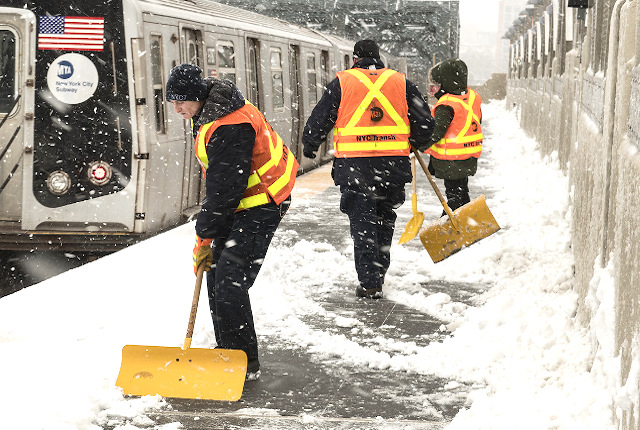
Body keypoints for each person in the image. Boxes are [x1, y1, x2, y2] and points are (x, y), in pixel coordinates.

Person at [165, 64, 298, 380]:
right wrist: (208, 236)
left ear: (198, 95)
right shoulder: (209, 113)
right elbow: (222, 186)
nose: (177, 108)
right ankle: (228, 349)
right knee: (214, 272)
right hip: (241, 203)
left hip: (264, 202)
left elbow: (225, 188)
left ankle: (244, 361)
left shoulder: (230, 125)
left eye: (182, 101)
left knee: (229, 278)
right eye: (172, 101)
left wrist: (204, 235)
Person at [302, 40, 434, 299]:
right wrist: (416, 141)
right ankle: (379, 273)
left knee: (363, 223)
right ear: (379, 58)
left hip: (355, 168)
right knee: (384, 220)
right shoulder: (401, 82)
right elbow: (426, 123)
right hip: (392, 167)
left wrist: (310, 144)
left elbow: (321, 117)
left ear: (355, 59)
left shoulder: (342, 82)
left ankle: (369, 281)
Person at [426, 58, 482, 213]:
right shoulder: (472, 97)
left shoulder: (446, 104)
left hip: (451, 159)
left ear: (446, 81)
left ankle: (453, 223)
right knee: (461, 191)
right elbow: (477, 120)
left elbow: (436, 132)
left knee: (453, 196)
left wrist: (418, 142)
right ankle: (467, 218)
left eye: (438, 83)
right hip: (468, 155)